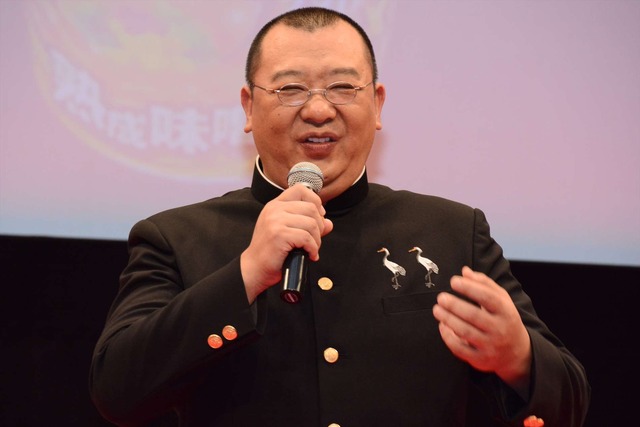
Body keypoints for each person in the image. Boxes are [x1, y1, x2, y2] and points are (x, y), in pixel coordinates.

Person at [90, 7, 590, 427]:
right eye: (290, 89)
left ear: (377, 103)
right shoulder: (176, 238)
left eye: (342, 87)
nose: (318, 110)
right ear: (248, 107)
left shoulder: (453, 232)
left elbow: (570, 403)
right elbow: (117, 392)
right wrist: (245, 275)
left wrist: (518, 358)